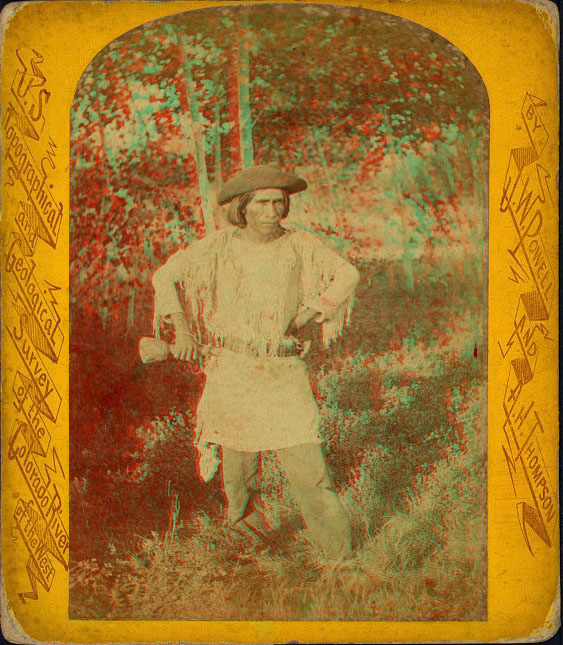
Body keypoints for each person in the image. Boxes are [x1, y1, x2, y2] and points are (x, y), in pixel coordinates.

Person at [151, 165, 360, 562]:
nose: (272, 212)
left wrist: (307, 315)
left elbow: (347, 274)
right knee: (239, 475)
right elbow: (166, 276)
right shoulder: (218, 246)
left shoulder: (301, 244)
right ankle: (253, 550)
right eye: (262, 203)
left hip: (282, 371)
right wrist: (182, 332)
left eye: (279, 202)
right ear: (242, 208)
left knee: (308, 467)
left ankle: (339, 558)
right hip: (233, 372)